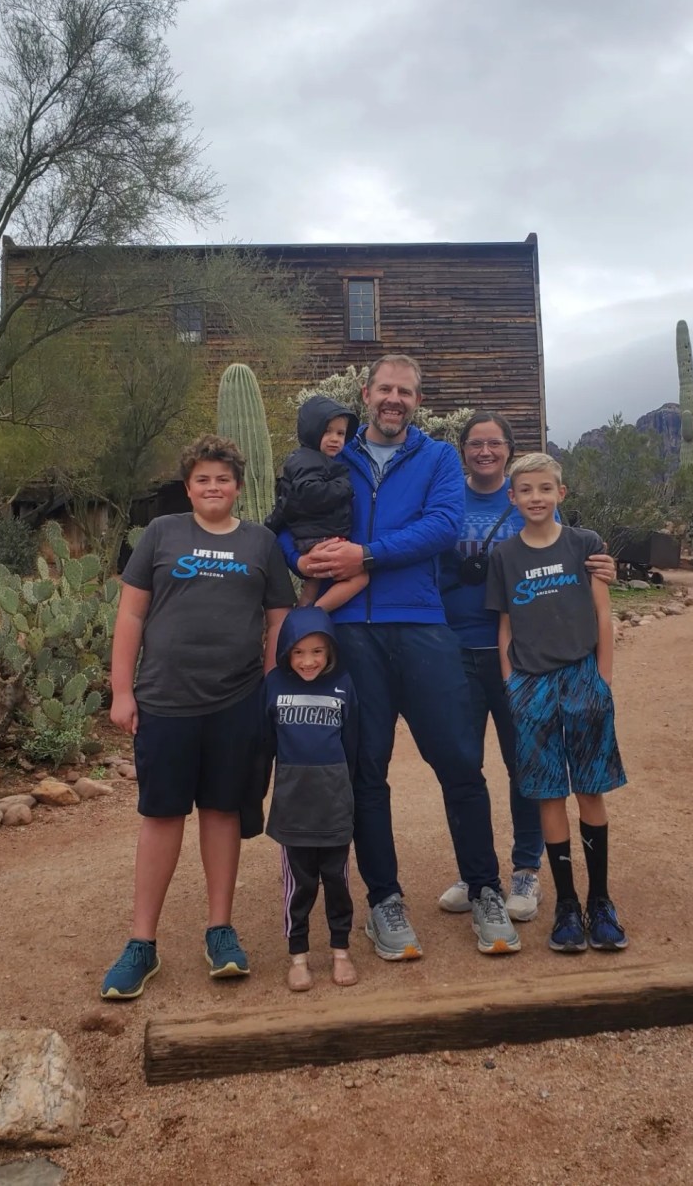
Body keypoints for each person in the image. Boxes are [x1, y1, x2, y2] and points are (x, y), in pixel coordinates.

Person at [278, 355, 519, 961]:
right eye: (385, 388)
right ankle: (385, 901)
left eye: (405, 391)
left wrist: (368, 556)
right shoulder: (337, 456)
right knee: (366, 773)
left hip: (420, 625)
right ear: (365, 394)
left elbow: (442, 525)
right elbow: (286, 518)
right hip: (350, 633)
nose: (394, 399)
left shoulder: (438, 458)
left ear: (418, 399)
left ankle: (486, 888)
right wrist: (297, 560)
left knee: (460, 763)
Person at [100, 434, 294, 1000]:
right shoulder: (162, 534)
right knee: (161, 815)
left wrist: (267, 683)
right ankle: (142, 943)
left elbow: (280, 620)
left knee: (221, 812)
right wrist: (122, 691)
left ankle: (220, 930)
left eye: (224, 479)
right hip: (164, 699)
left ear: (238, 486)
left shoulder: (260, 543)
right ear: (188, 487)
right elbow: (131, 615)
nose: (214, 487)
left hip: (236, 702)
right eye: (203, 479)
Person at [438, 413, 617, 922]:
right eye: (476, 442)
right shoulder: (447, 497)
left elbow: (580, 564)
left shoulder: (532, 505)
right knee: (461, 767)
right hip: (456, 647)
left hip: (525, 660)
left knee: (527, 768)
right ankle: (475, 873)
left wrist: (602, 568)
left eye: (495, 443)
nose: (485, 450)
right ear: (464, 450)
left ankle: (526, 870)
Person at [486, 452, 629, 954]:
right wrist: (513, 686)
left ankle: (601, 901)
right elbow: (504, 624)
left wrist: (602, 681)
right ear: (513, 497)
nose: (536, 498)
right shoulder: (504, 556)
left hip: (582, 676)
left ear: (561, 494)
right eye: (525, 490)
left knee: (590, 791)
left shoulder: (583, 544)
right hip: (532, 683)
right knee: (549, 794)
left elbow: (601, 610)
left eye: (545, 489)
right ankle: (566, 904)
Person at [264, 607, 359, 991]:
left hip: (335, 803)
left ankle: (341, 951)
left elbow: (352, 745)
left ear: (331, 650)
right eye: (299, 651)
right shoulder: (273, 684)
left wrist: (349, 792)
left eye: (317, 651)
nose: (308, 661)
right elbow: (263, 743)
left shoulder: (344, 684)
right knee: (299, 886)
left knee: (337, 881)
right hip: (293, 805)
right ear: (285, 649)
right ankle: (298, 957)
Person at [264, 395, 366, 612]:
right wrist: (344, 487)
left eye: (340, 433)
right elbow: (308, 492)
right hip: (320, 535)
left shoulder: (309, 459)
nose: (335, 439)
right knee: (361, 577)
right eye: (327, 431)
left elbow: (286, 503)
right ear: (312, 430)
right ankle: (313, 614)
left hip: (312, 535)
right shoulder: (308, 460)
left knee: (313, 581)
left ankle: (304, 610)